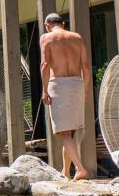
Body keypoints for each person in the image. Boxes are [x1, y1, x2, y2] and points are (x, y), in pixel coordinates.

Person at [39, 12, 91, 180]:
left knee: (64, 133)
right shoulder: (77, 37)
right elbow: (86, 66)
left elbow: (45, 65)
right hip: (77, 84)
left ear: (47, 25)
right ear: (63, 23)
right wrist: (85, 89)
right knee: (70, 132)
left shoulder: (46, 38)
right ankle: (65, 172)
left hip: (59, 85)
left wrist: (44, 90)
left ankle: (80, 168)